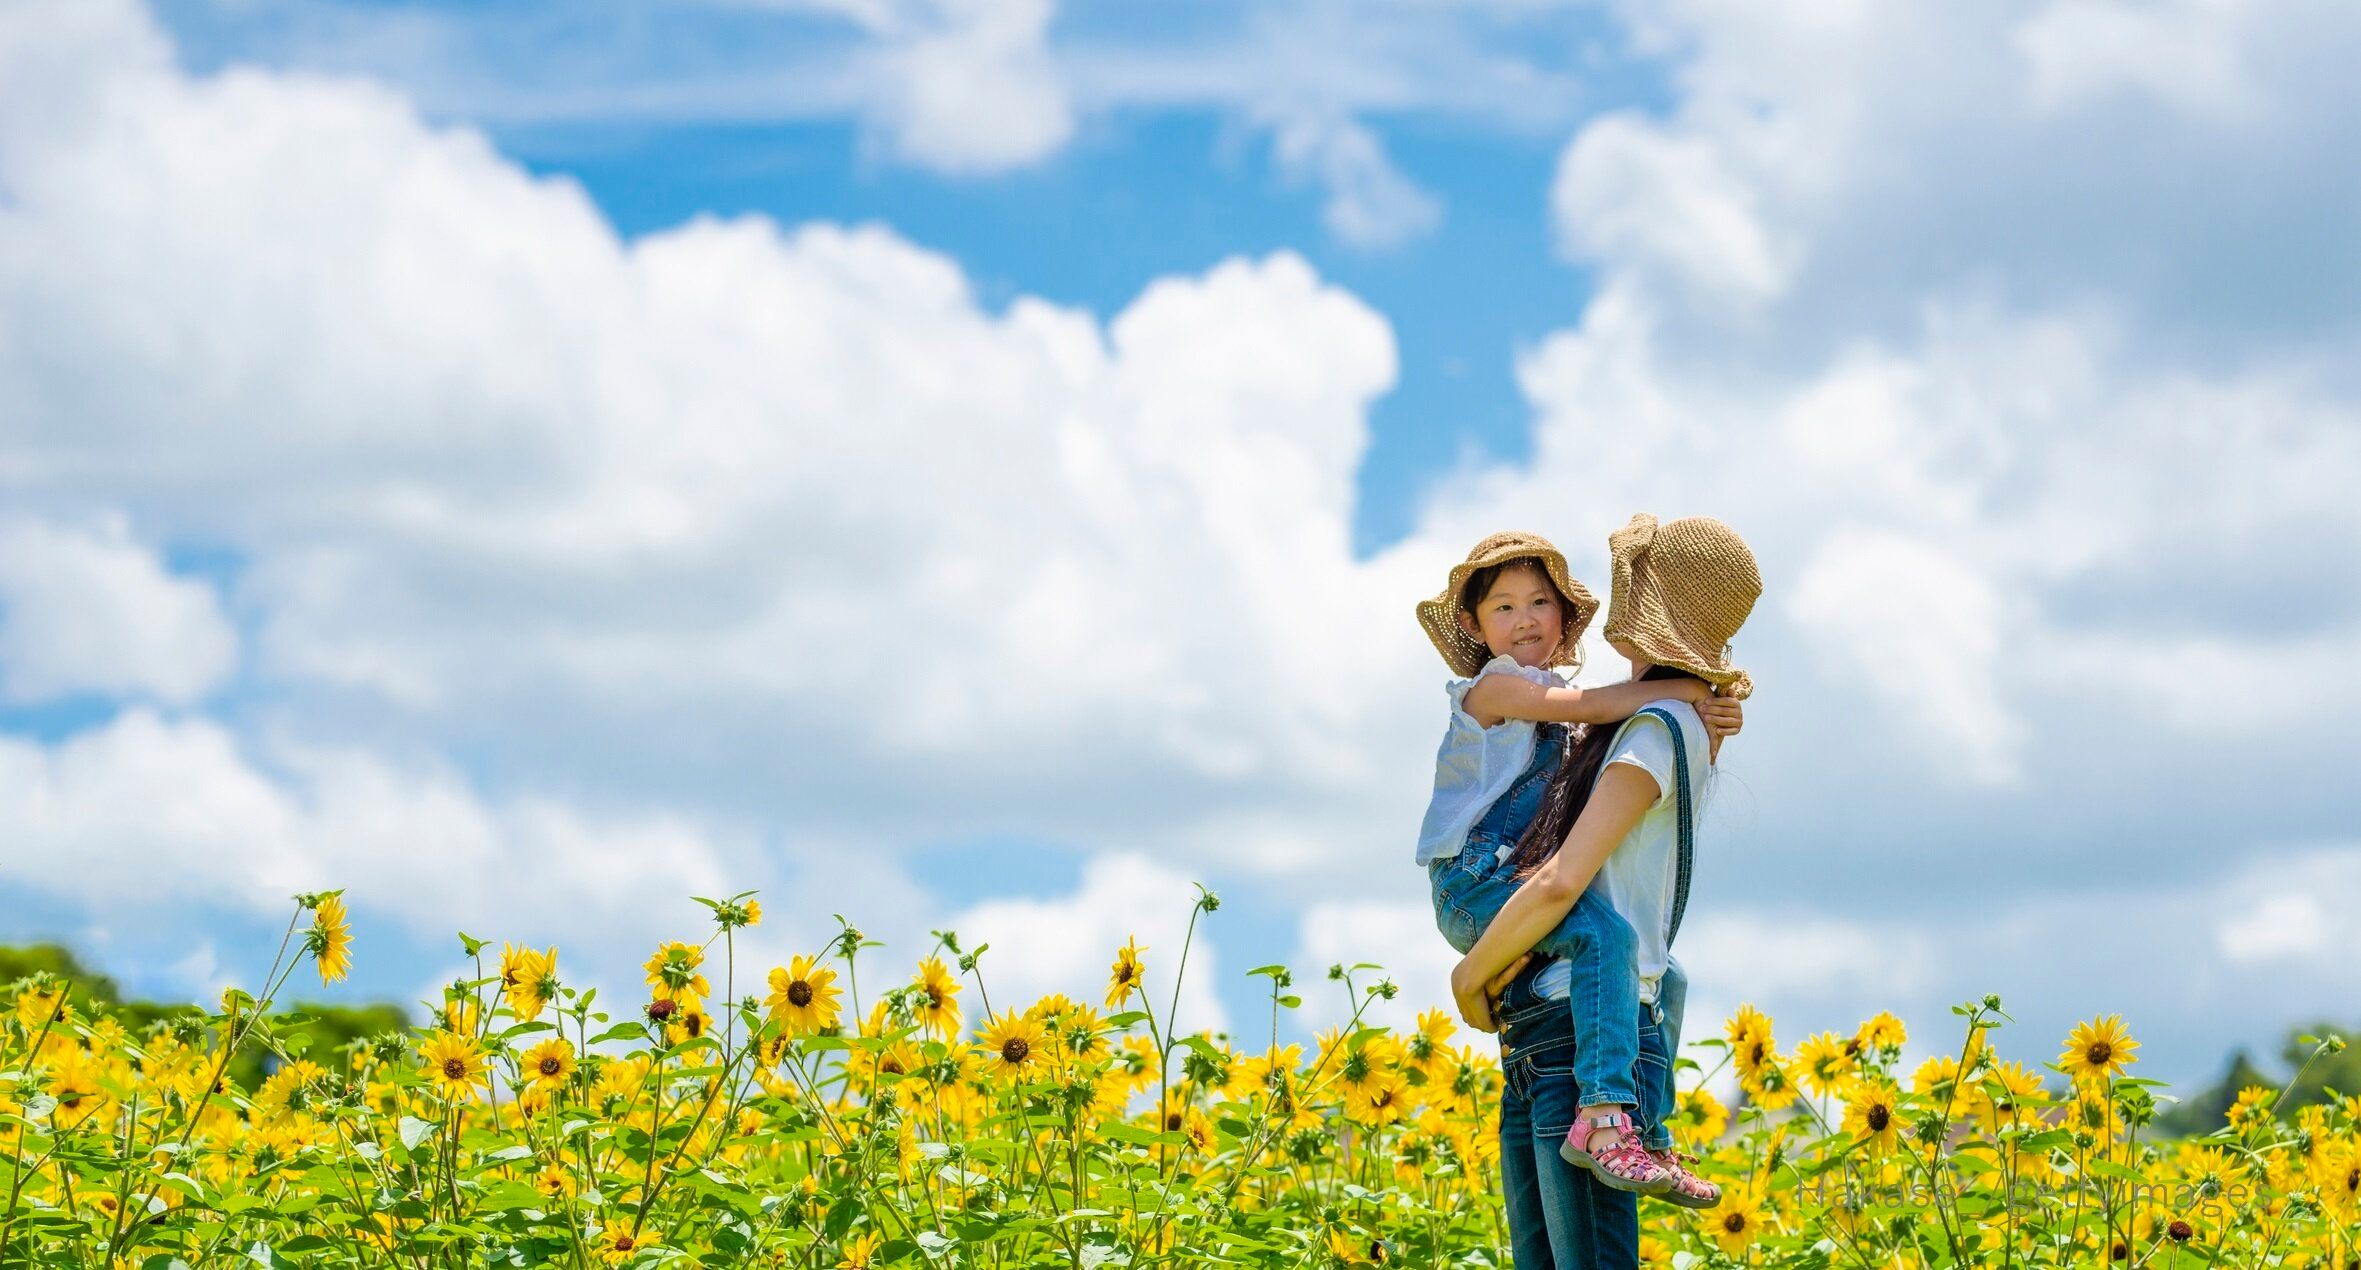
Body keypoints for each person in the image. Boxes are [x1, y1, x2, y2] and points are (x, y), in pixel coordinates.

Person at [1455, 513, 1763, 1218]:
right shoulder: (1641, 717)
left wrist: (1469, 975)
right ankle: (1646, 1129)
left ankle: (1630, 1126)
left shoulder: (1654, 726)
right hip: (1556, 1014)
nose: (1528, 618)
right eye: (1504, 606)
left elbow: (1566, 877)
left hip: (1577, 1025)